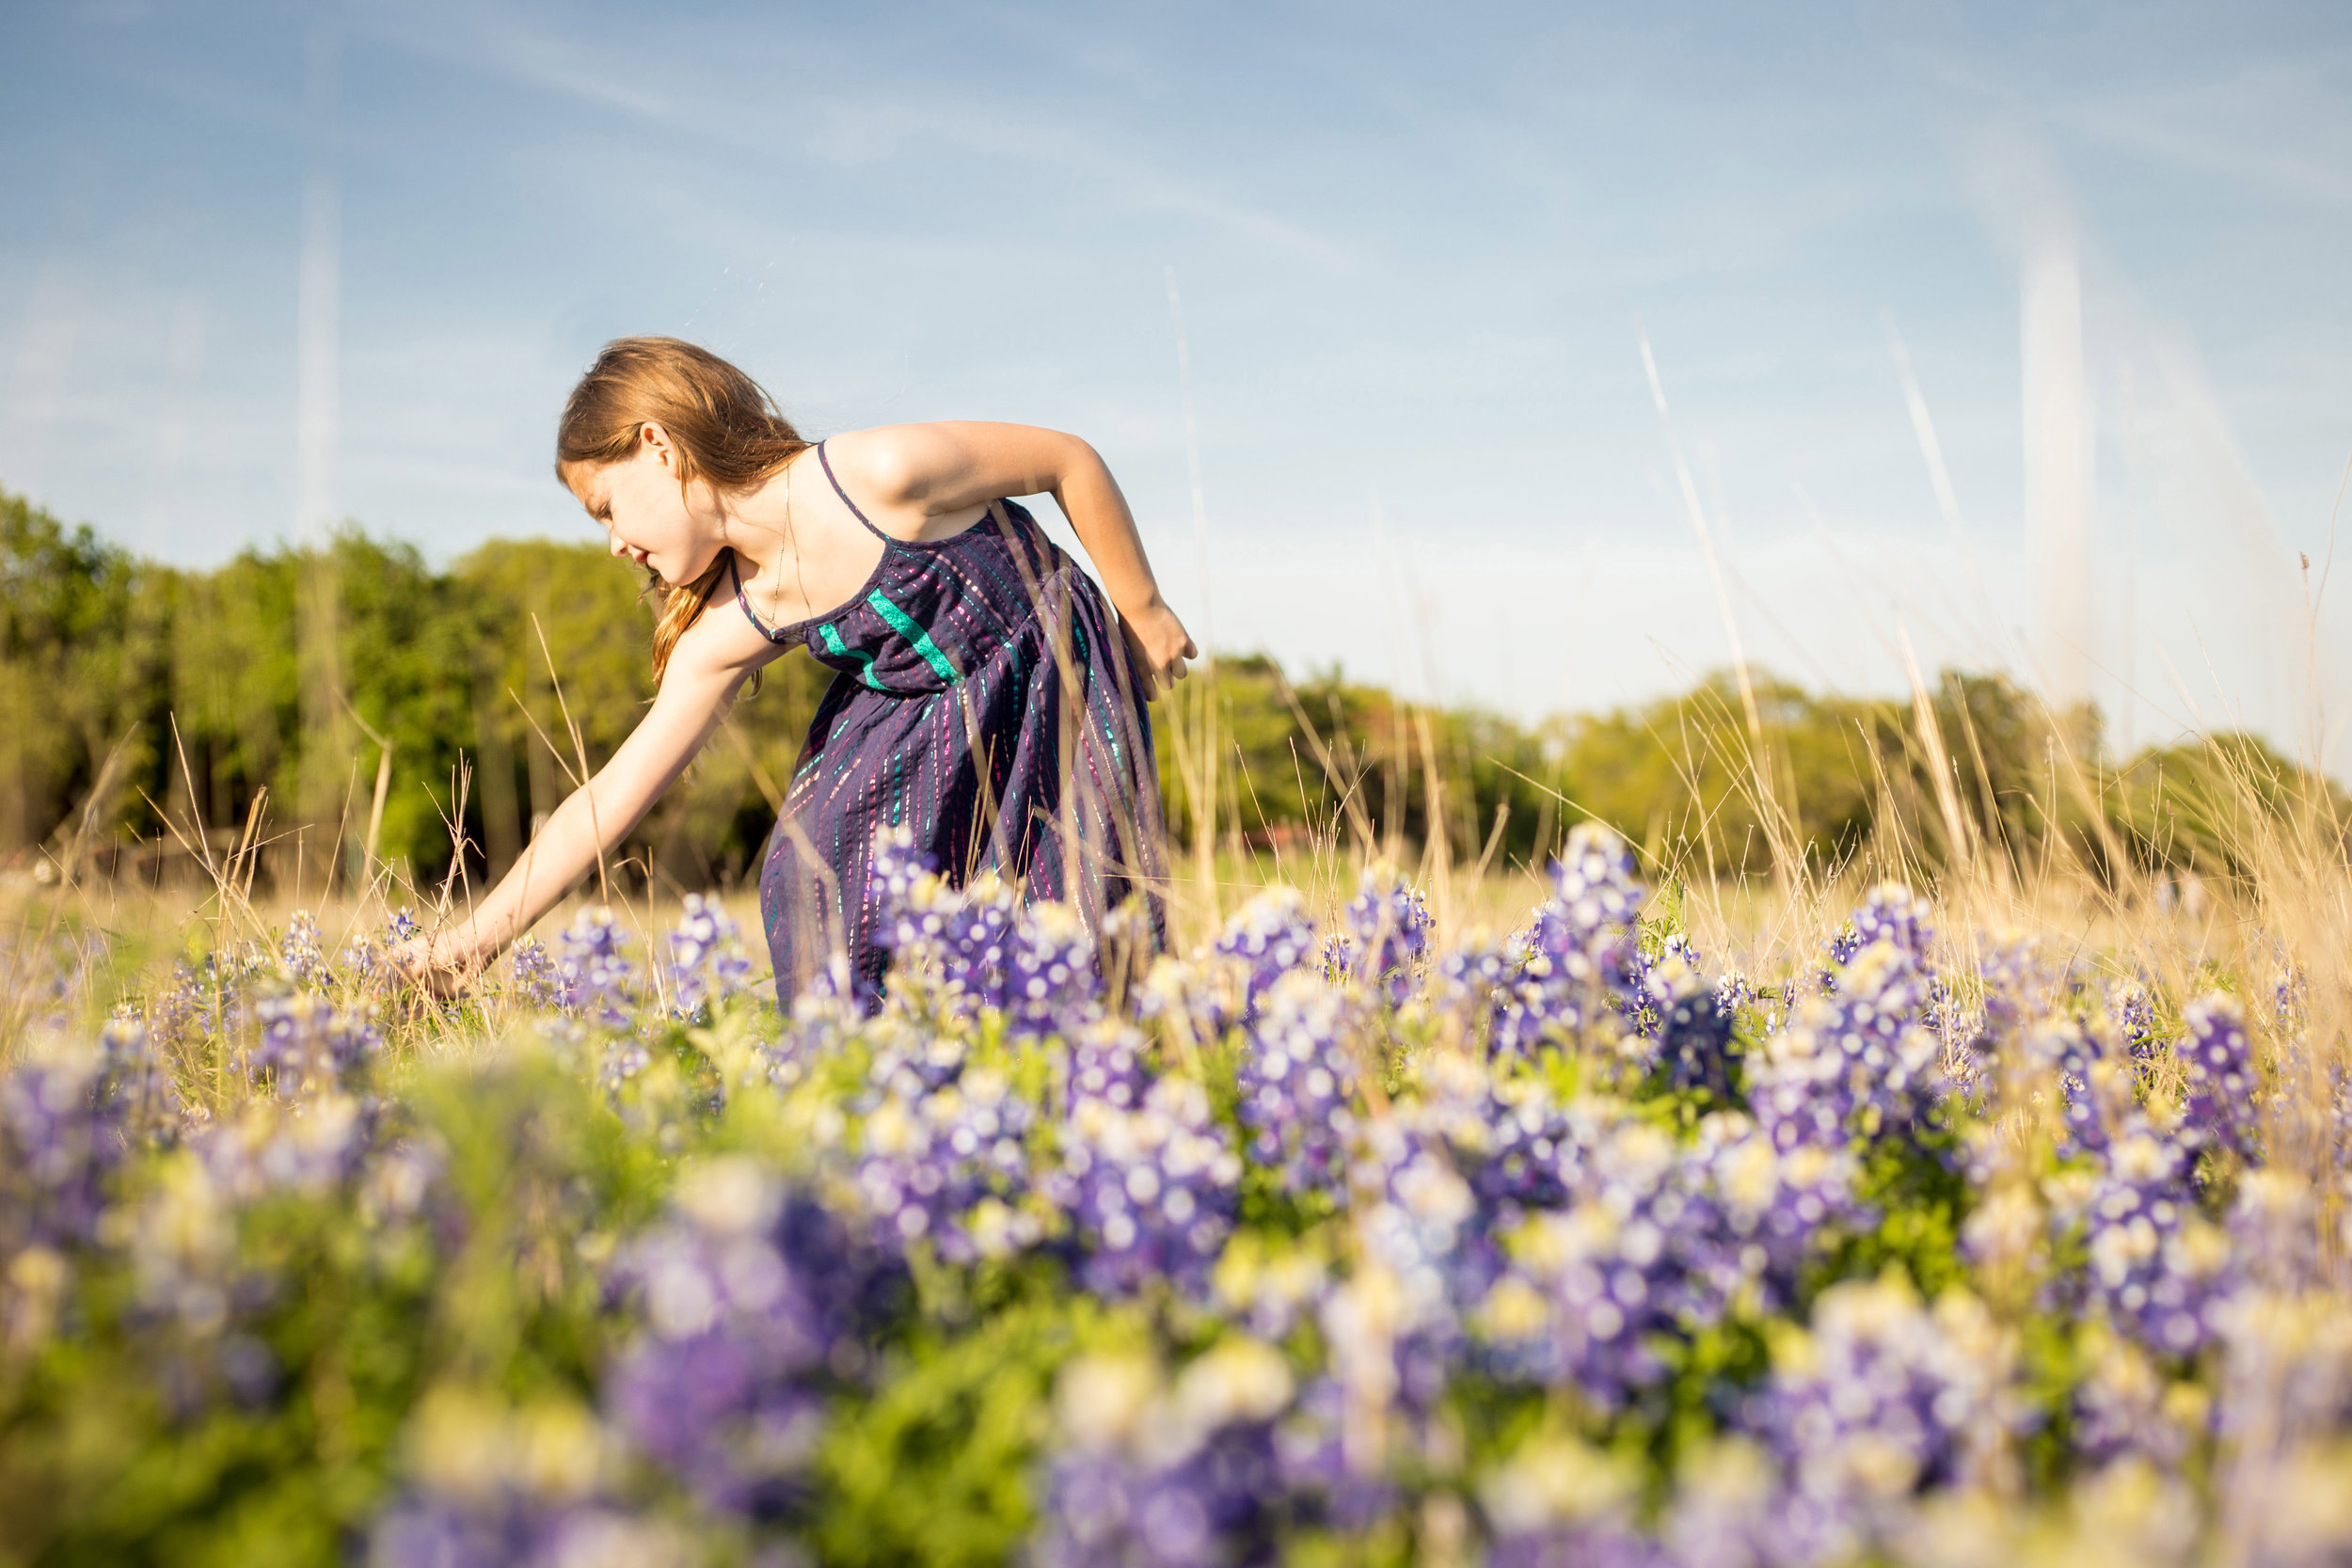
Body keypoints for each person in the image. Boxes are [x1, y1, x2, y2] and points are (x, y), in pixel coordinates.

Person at [395, 336, 1191, 999]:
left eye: (606, 507)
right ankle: (858, 1088)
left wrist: (1144, 606)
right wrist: (467, 944)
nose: (612, 543)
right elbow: (609, 797)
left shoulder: (875, 476)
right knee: (811, 871)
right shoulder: (734, 618)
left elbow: (1066, 459)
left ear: (658, 446)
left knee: (1078, 931)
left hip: (1053, 680)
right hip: (922, 722)